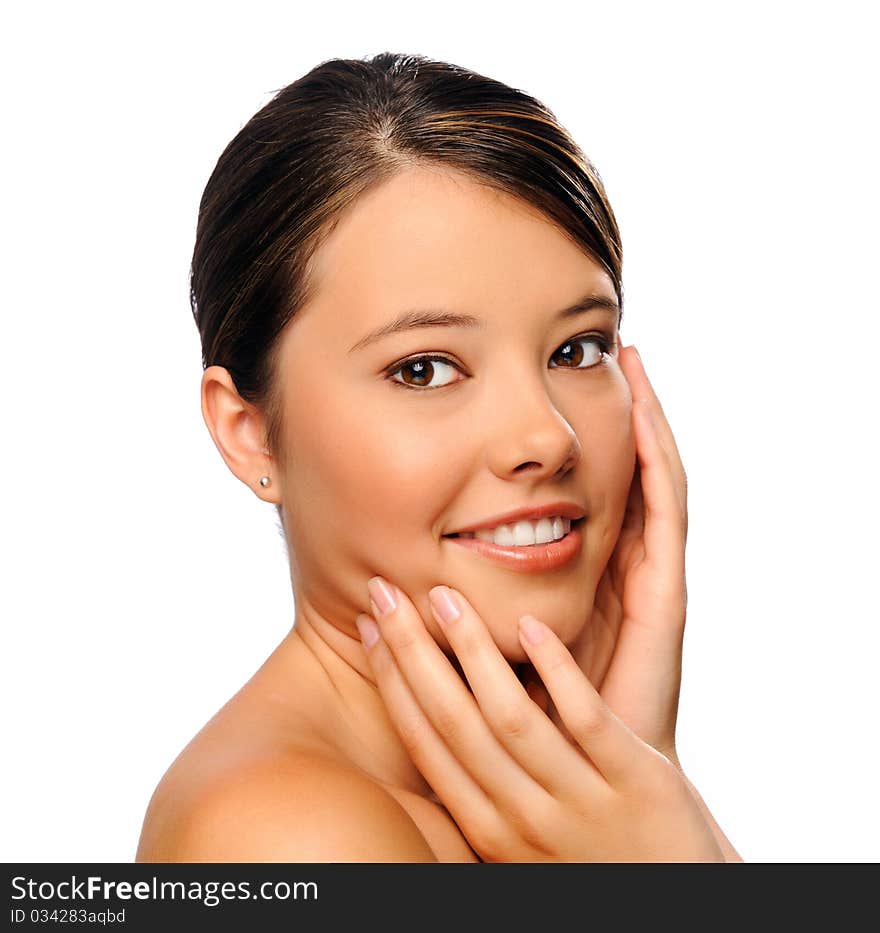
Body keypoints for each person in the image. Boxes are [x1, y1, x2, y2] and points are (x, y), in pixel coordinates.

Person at [136, 51, 742, 862]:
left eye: (577, 349)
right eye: (423, 368)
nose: (547, 437)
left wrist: (641, 771)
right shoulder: (283, 835)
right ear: (250, 431)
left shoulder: (609, 822)